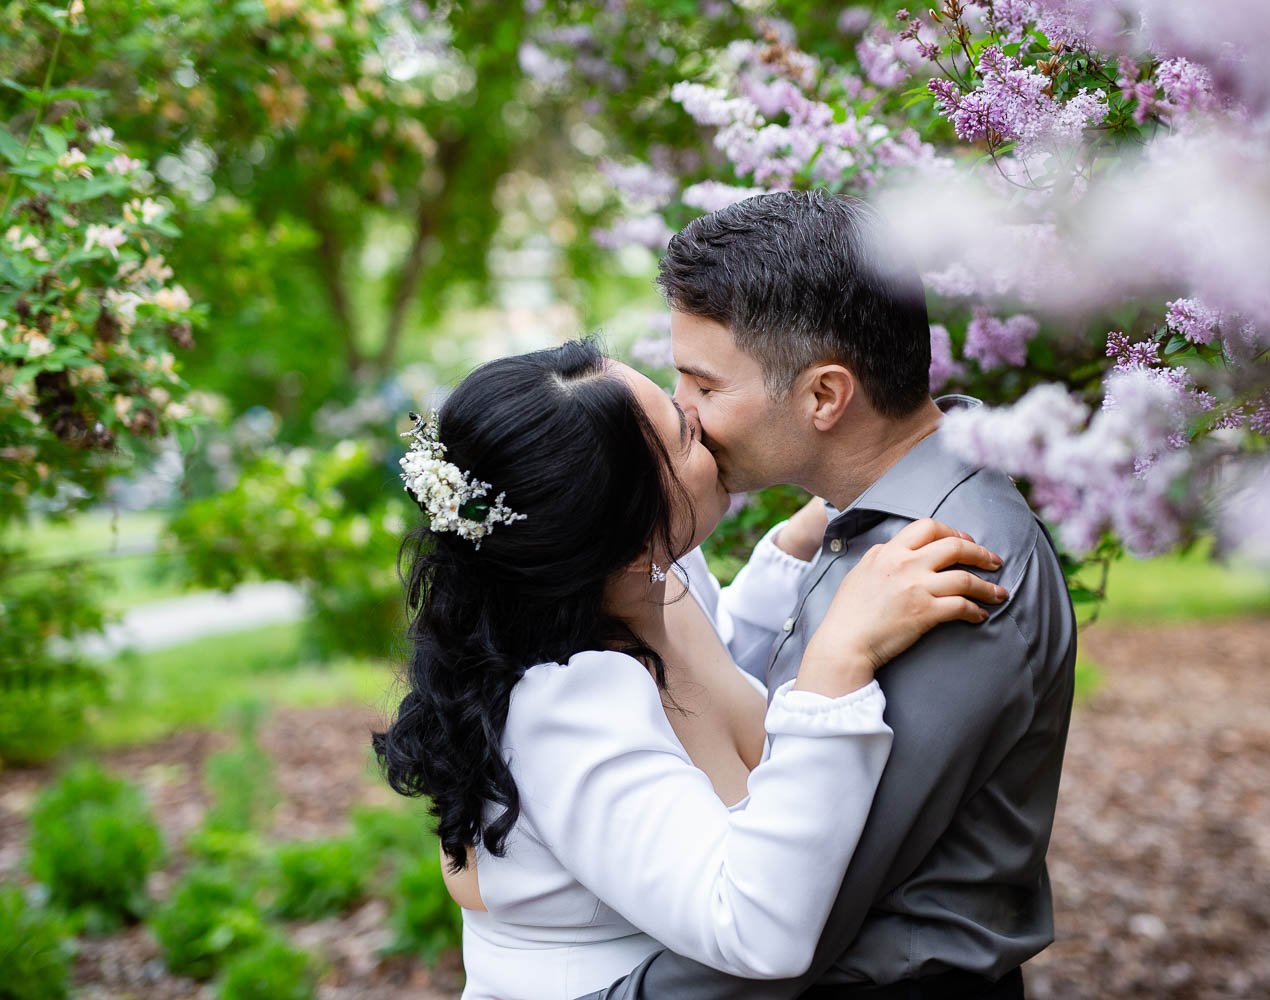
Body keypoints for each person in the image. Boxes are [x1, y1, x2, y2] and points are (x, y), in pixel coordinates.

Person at [372, 338, 1007, 1000]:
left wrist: (818, 523)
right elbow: (755, 930)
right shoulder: (568, 708)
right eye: (684, 433)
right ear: (633, 534)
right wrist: (839, 658)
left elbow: (715, 676)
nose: (701, 416)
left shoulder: (653, 580)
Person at [582, 189, 1077, 1000]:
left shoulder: (951, 567)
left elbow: (807, 899)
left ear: (824, 396)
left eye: (704, 386)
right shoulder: (874, 520)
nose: (685, 415)